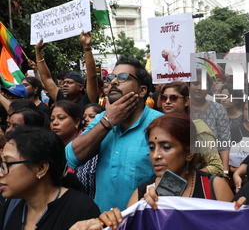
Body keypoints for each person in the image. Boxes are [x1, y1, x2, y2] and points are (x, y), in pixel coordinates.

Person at [69, 114, 233, 230]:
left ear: (189, 152)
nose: (156, 156)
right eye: (152, 147)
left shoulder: (213, 187)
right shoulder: (141, 196)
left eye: (166, 147)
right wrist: (111, 223)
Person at [65, 56, 163, 212]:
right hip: (103, 222)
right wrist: (107, 122)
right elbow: (71, 157)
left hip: (143, 221)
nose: (114, 82)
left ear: (142, 90)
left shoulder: (161, 124)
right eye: (111, 77)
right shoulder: (101, 119)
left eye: (123, 78)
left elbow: (174, 180)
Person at [0, 126, 100, 229]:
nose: (1, 173)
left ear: (41, 168)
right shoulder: (12, 206)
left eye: (8, 163)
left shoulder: (81, 210)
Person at [160, 81, 224, 177]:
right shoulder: (159, 127)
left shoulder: (198, 128)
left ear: (186, 101)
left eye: (173, 98)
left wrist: (186, 178)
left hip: (193, 188)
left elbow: (216, 167)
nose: (167, 101)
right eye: (164, 98)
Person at [35, 31, 98, 112]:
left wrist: (87, 48)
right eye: (64, 82)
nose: (64, 85)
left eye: (69, 83)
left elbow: (92, 76)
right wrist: (38, 51)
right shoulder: (60, 98)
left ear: (81, 87)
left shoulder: (88, 100)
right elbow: (46, 78)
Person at [190, 69, 231, 178]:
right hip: (186, 168)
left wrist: (225, 171)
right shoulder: (182, 107)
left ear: (209, 87)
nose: (199, 88)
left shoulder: (218, 109)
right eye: (195, 83)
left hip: (213, 169)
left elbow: (224, 142)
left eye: (203, 84)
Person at [75, 103, 105, 199]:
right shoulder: (78, 142)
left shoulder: (104, 144)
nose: (86, 120)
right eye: (84, 117)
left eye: (92, 117)